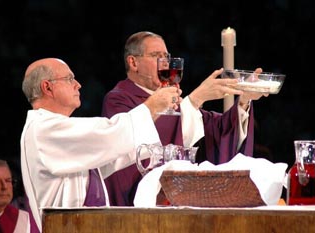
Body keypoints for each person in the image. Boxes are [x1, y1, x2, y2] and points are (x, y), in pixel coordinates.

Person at [101, 31, 269, 206]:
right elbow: (139, 142)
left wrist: (243, 100)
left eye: (166, 55)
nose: (164, 61)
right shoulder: (118, 99)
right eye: (155, 55)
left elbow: (217, 130)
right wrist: (196, 99)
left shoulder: (174, 99)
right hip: (135, 204)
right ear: (133, 62)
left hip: (177, 200)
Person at [20, 57, 181, 231]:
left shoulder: (55, 129)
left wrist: (154, 111)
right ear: (47, 87)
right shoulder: (43, 129)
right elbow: (110, 133)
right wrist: (152, 105)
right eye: (69, 79)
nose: (78, 84)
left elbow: (109, 154)